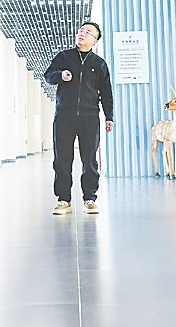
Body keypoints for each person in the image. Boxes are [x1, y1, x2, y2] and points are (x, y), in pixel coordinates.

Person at [43, 22, 114, 215]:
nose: (82, 33)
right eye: (81, 30)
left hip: (89, 117)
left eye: (88, 32)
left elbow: (106, 92)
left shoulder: (99, 64)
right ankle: (63, 200)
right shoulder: (64, 57)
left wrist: (109, 116)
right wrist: (60, 75)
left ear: (95, 40)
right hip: (64, 116)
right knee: (62, 159)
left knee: (89, 159)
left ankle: (89, 198)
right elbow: (48, 76)